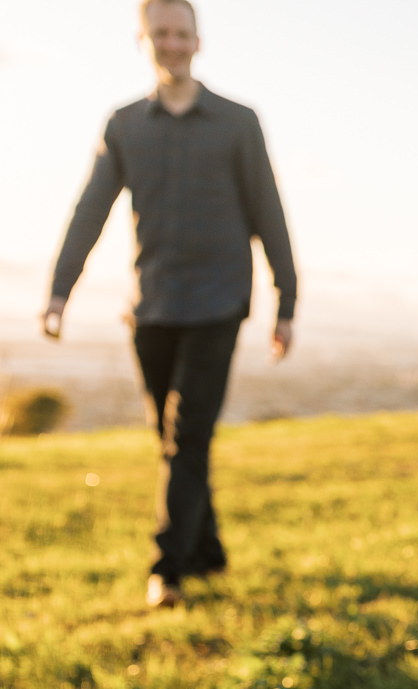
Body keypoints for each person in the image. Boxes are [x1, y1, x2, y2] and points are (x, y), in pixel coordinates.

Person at [43, 0, 297, 609]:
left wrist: (286, 302)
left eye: (182, 33)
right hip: (151, 306)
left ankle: (168, 569)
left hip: (217, 303)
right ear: (143, 41)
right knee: (171, 437)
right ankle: (208, 550)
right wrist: (58, 291)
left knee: (186, 438)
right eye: (161, 33)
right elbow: (90, 209)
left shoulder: (238, 122)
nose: (173, 43)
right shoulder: (124, 124)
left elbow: (269, 212)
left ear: (198, 41)